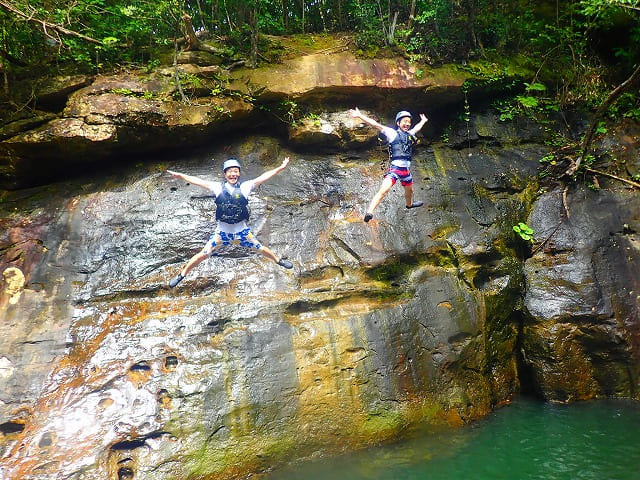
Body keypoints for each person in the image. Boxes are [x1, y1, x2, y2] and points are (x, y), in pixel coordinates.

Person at [166, 157, 293, 288]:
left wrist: (280, 168)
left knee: (260, 248)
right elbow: (198, 181)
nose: (233, 174)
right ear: (225, 174)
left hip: (242, 233)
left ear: (239, 173)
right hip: (222, 234)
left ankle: (279, 261)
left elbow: (263, 177)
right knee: (202, 255)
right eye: (230, 171)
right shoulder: (217, 187)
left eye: (236, 171)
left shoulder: (245, 186)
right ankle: (182, 275)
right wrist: (181, 175)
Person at [349, 107, 428, 222]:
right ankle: (370, 212)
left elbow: (416, 128)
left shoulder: (410, 134)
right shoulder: (392, 133)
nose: (407, 124)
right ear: (398, 123)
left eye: (409, 122)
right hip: (395, 169)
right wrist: (360, 115)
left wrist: (423, 121)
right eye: (404, 121)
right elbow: (375, 124)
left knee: (410, 191)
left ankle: (409, 205)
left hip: (406, 170)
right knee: (383, 190)